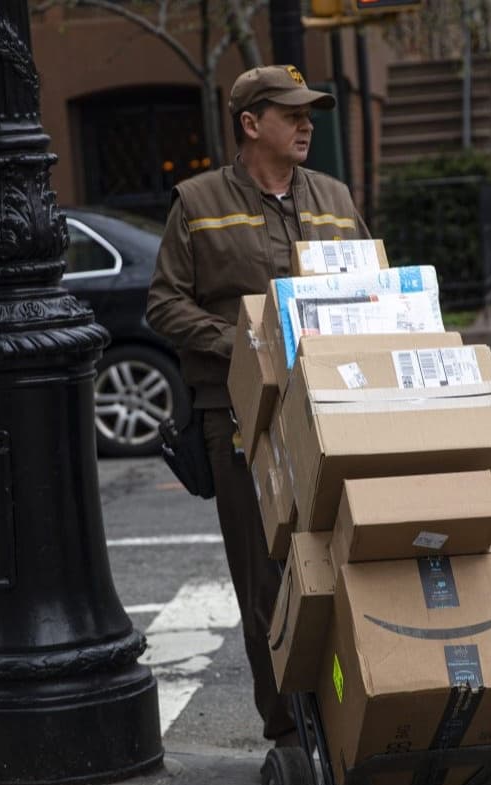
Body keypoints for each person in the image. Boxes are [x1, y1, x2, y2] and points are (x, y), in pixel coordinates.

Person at [146, 65, 370, 746]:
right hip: (241, 419)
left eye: (310, 114)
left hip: (334, 409)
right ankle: (291, 735)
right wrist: (246, 345)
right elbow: (163, 303)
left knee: (343, 566)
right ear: (250, 124)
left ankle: (349, 714)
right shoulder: (198, 200)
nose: (307, 126)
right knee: (268, 583)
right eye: (291, 114)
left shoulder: (334, 196)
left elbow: (375, 287)